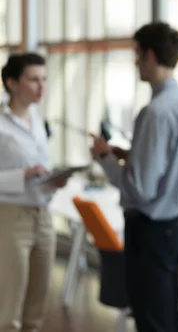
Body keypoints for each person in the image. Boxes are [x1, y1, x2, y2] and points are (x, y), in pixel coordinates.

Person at [90, 22, 178, 332]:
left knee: (152, 319)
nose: (135, 62)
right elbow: (175, 163)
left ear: (149, 55)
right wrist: (130, 155)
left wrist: (104, 157)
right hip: (176, 226)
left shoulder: (155, 111)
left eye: (136, 54)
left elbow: (141, 188)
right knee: (167, 314)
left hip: (149, 231)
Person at [0, 53, 69, 332]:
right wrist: (25, 175)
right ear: (12, 83)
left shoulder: (38, 120)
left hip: (44, 217)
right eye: (33, 79)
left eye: (44, 79)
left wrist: (54, 179)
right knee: (9, 307)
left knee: (37, 305)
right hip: (11, 218)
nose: (41, 86)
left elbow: (44, 165)